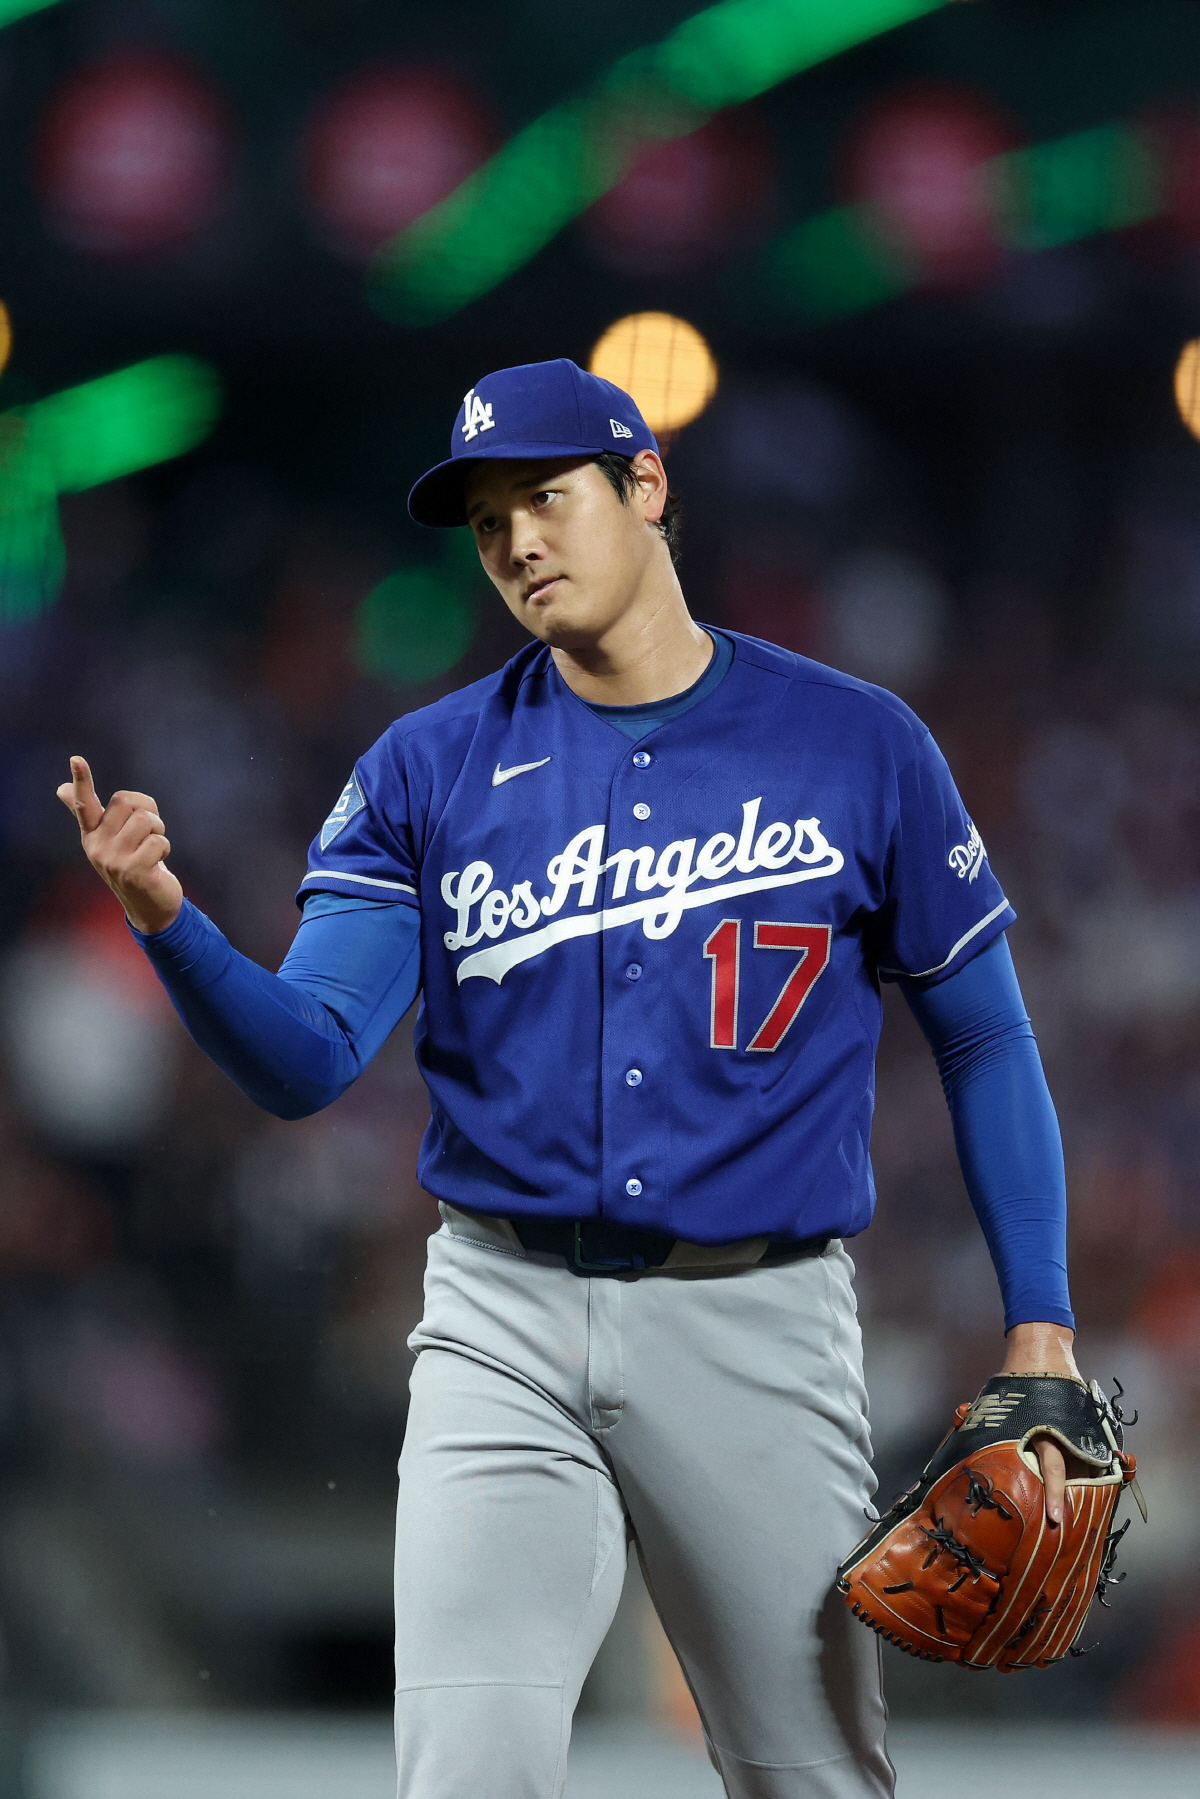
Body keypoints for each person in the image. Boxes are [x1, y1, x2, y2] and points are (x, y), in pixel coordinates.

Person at [58, 359, 1080, 1799]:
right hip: (504, 1316)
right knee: (465, 1775)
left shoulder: (859, 744)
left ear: (646, 484)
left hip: (757, 1320)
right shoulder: (423, 770)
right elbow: (308, 1058)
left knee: (812, 1778)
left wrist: (1040, 1321)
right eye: (488, 525)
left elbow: (983, 1038)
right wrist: (173, 924)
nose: (518, 544)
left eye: (545, 498)